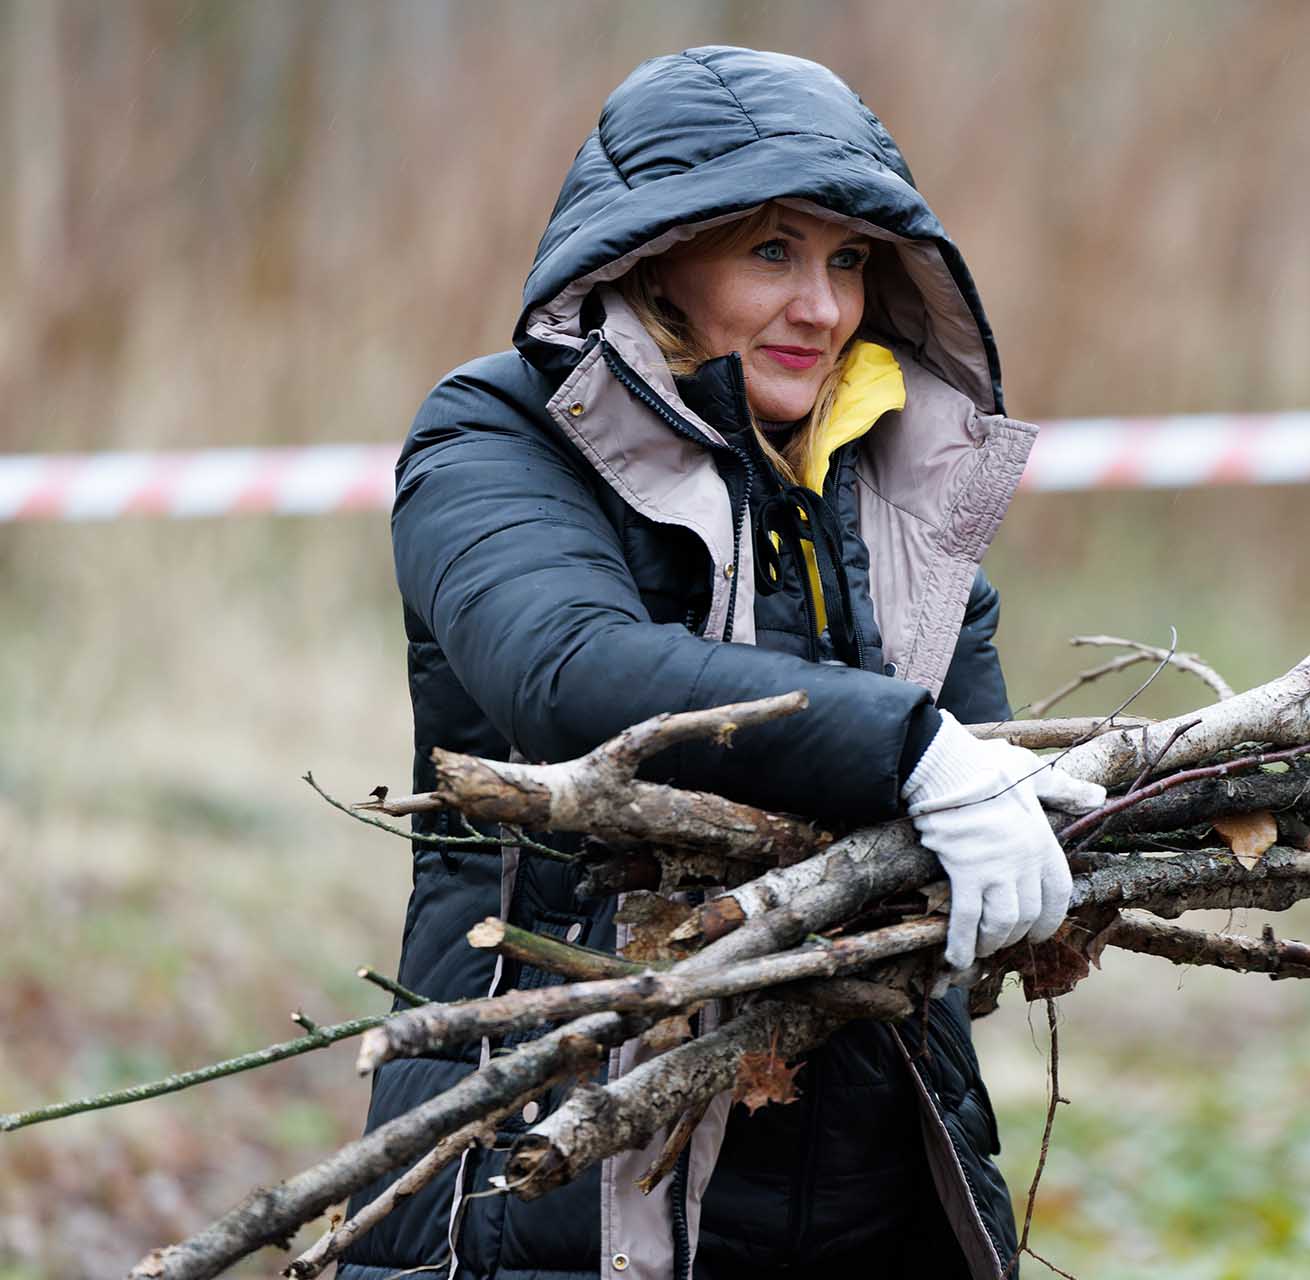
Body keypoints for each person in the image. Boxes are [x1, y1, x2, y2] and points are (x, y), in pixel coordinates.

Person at [339, 46, 1102, 1280]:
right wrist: (907, 749)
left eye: (849, 259)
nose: (824, 307)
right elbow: (567, 667)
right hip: (560, 1180)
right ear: (653, 256)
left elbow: (977, 770)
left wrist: (1058, 807)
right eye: (772, 253)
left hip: (873, 1185)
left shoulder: (885, 486)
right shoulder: (499, 436)